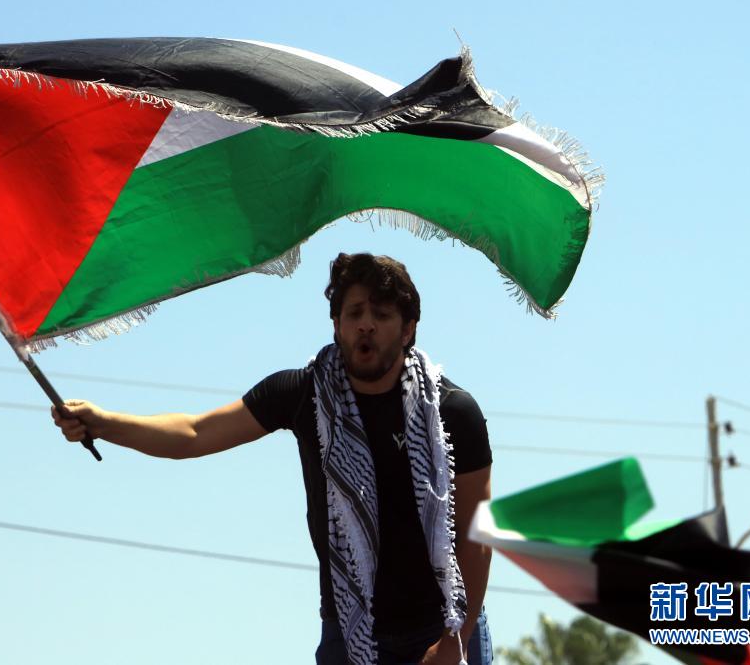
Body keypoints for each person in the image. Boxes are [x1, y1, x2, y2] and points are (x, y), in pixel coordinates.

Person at [52, 252, 493, 665]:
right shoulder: (302, 394)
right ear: (336, 324)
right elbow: (195, 433)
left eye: (381, 314)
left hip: (446, 623)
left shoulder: (452, 411)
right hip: (350, 627)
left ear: (408, 328)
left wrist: (455, 640)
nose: (366, 325)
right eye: (355, 313)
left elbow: (478, 538)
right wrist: (103, 423)